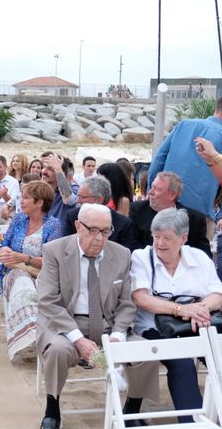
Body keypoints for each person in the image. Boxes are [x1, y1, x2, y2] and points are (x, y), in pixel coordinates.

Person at [36, 204, 158, 429]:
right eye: (93, 230)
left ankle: (131, 412)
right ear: (77, 227)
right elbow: (48, 301)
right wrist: (78, 339)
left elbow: (127, 302)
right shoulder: (54, 251)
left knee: (145, 352)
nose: (99, 238)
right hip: (65, 323)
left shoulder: (121, 254)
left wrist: (119, 335)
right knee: (58, 350)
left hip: (108, 323)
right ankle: (52, 409)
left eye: (106, 231)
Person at [130, 208, 222, 423]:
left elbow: (218, 292)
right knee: (182, 363)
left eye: (167, 238)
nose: (160, 243)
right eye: (156, 236)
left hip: (197, 324)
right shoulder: (142, 257)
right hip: (155, 327)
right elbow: (140, 298)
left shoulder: (198, 257)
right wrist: (180, 310)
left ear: (183, 238)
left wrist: (200, 309)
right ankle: (193, 423)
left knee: (218, 357)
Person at [0, 181, 61, 362]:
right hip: (13, 273)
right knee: (20, 277)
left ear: (39, 202)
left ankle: (29, 332)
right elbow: (4, 244)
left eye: (25, 197)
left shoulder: (54, 225)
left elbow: (52, 261)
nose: (21, 201)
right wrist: (5, 252)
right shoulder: (18, 219)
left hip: (42, 276)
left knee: (26, 280)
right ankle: (31, 329)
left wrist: (24, 258)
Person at [147, 96, 222, 238]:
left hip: (166, 206)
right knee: (198, 257)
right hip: (200, 212)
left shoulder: (184, 124)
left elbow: (158, 160)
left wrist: (151, 192)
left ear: (216, 108)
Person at [129, 171, 210, 256]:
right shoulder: (138, 210)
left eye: (157, 189)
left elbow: (204, 254)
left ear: (172, 195)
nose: (150, 192)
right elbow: (131, 244)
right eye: (152, 187)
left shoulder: (195, 219)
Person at [62, 176, 137, 252]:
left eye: (82, 197)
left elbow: (124, 256)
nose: (78, 201)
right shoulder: (72, 216)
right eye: (78, 196)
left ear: (98, 200)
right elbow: (66, 248)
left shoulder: (123, 224)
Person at [40, 152, 77, 223]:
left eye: (51, 169)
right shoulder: (39, 189)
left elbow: (69, 199)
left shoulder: (73, 188)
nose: (43, 171)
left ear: (62, 173)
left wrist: (57, 168)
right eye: (44, 167)